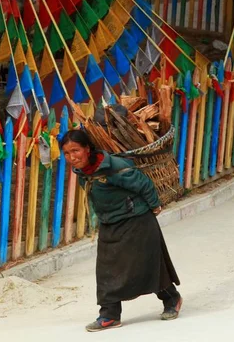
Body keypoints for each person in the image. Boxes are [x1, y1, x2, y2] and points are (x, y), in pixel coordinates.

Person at [60, 129, 182, 332]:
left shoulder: (112, 167)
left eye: (76, 150)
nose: (72, 157)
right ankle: (109, 315)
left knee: (148, 264)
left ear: (87, 149)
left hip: (137, 219)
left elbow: (143, 184)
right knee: (106, 269)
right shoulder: (83, 171)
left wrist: (154, 205)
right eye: (66, 153)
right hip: (110, 222)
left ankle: (171, 298)